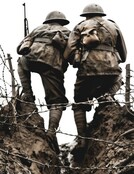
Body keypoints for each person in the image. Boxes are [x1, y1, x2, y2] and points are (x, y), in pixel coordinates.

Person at [64, 3, 127, 156]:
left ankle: (82, 139)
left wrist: (75, 61)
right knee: (119, 79)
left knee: (79, 102)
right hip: (111, 68)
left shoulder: (80, 26)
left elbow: (69, 51)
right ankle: (106, 96)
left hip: (87, 69)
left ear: (85, 15)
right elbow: (123, 54)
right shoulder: (113, 26)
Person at [17, 11, 70, 154]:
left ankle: (28, 96)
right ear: (62, 22)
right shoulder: (67, 31)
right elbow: (72, 53)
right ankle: (51, 132)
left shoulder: (37, 29)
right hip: (52, 65)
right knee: (57, 101)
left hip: (29, 60)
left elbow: (19, 49)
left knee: (21, 63)